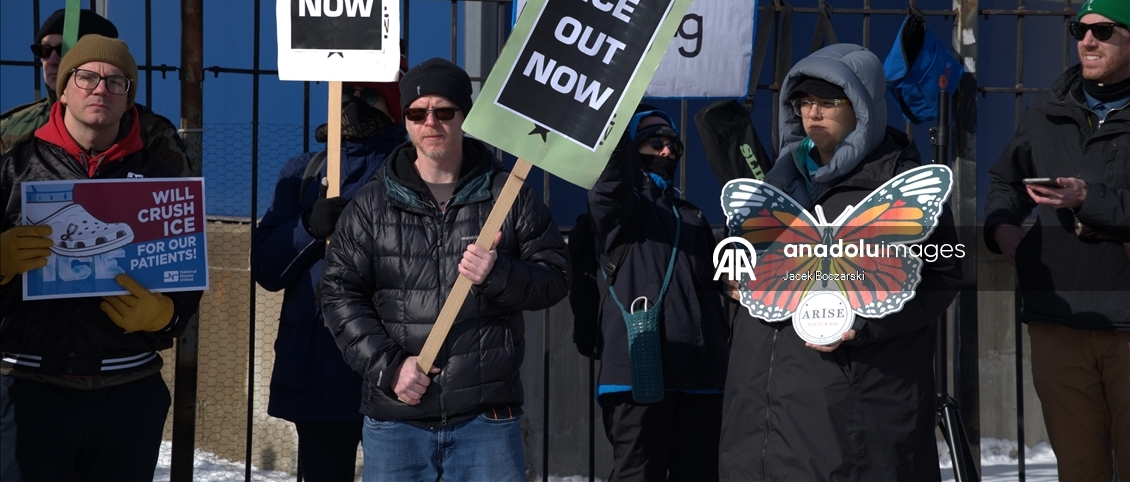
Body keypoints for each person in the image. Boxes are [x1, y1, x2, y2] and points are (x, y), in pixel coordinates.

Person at [718, 44, 963, 481]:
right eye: (803, 101)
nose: (812, 113)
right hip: (756, 416)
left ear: (862, 108)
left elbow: (944, 274)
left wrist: (864, 323)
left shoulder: (895, 184)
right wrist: (735, 278)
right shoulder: (774, 184)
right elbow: (739, 256)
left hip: (848, 418)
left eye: (828, 101)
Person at [318, 58, 570, 482]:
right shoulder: (372, 204)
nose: (430, 122)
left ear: (464, 117)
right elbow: (338, 294)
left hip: (486, 422)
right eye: (418, 113)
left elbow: (556, 278)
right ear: (406, 121)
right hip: (397, 421)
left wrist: (498, 274)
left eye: (444, 111)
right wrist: (390, 368)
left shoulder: (507, 195)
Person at [0, 34, 202, 481]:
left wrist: (166, 315)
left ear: (128, 98)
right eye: (86, 77)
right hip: (28, 388)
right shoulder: (12, 170)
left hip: (128, 393)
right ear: (63, 89)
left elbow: (186, 281)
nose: (100, 89)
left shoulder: (162, 179)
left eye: (116, 81)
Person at [985, 0, 1129, 481]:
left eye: (1103, 31)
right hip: (1058, 321)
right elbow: (1006, 180)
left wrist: (1091, 200)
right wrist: (1002, 225)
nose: (1088, 41)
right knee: (1080, 469)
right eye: (1079, 31)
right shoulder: (1047, 110)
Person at [252, 64, 408, 482]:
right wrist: (307, 226)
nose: (354, 104)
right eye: (346, 92)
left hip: (392, 367)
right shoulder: (302, 173)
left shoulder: (411, 172)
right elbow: (267, 269)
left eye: (370, 95)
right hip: (318, 368)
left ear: (393, 106)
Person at [587, 105, 729, 481]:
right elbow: (611, 183)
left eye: (673, 146)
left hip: (701, 377)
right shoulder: (619, 210)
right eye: (654, 143)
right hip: (639, 371)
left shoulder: (692, 215)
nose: (666, 151)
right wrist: (615, 132)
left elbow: (718, 283)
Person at [0, 8, 192, 175]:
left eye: (64, 50)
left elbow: (175, 198)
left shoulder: (149, 132)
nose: (52, 60)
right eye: (44, 50)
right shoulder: (12, 129)